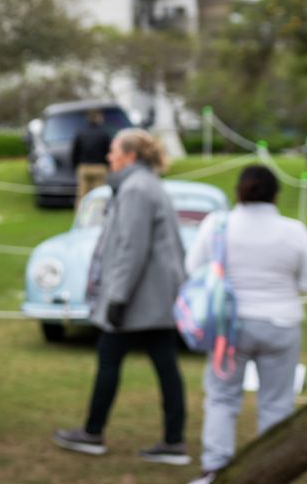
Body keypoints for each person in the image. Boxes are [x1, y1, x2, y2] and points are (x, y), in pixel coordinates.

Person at [53, 129, 189, 465]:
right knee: (164, 364)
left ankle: (93, 432)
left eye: (113, 150)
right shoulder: (145, 184)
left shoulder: (136, 189)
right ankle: (173, 440)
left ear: (129, 156)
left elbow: (132, 247)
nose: (108, 156)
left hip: (138, 298)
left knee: (111, 357)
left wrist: (116, 297)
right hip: (152, 297)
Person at [186, 165, 307, 484]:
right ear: (275, 195)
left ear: (238, 191)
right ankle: (272, 469)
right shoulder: (293, 231)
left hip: (230, 326)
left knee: (222, 398)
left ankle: (214, 468)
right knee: (277, 403)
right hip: (280, 322)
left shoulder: (218, 225)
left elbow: (194, 267)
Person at [72, 110, 113, 203]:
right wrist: (108, 165)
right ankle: (98, 212)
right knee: (99, 196)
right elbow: (109, 150)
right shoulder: (104, 133)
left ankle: (82, 212)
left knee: (82, 195)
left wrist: (75, 165)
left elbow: (75, 152)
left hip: (84, 167)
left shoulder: (81, 133)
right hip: (100, 167)